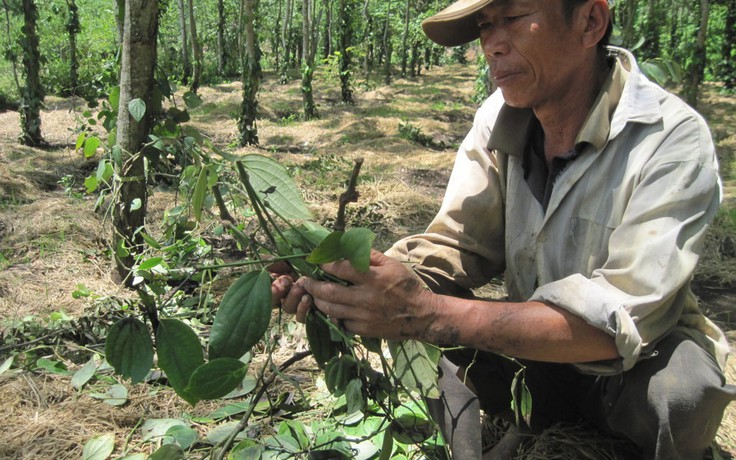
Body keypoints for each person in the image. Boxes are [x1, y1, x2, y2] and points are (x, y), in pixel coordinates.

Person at [272, 0, 736, 458]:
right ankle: (479, 446)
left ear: (590, 20)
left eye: (513, 18)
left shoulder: (668, 136)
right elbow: (456, 245)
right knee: (410, 318)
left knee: (684, 393)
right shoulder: (498, 118)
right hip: (530, 355)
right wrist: (347, 282)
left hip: (632, 367)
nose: (491, 46)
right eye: (484, 26)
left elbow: (621, 321)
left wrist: (430, 312)